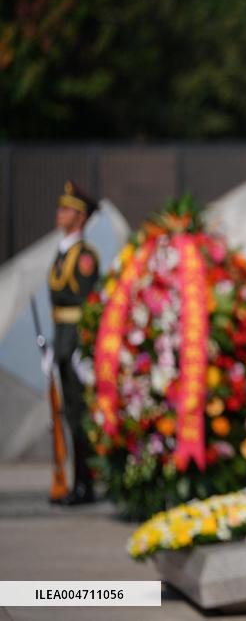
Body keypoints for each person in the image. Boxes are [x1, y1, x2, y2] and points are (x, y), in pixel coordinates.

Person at [43, 181, 101, 505]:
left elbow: (87, 304)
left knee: (80, 415)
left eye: (66, 209)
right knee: (68, 413)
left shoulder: (85, 257)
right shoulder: (63, 251)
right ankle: (73, 481)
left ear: (79, 217)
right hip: (62, 341)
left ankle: (85, 484)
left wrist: (82, 347)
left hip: (76, 342)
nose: (59, 213)